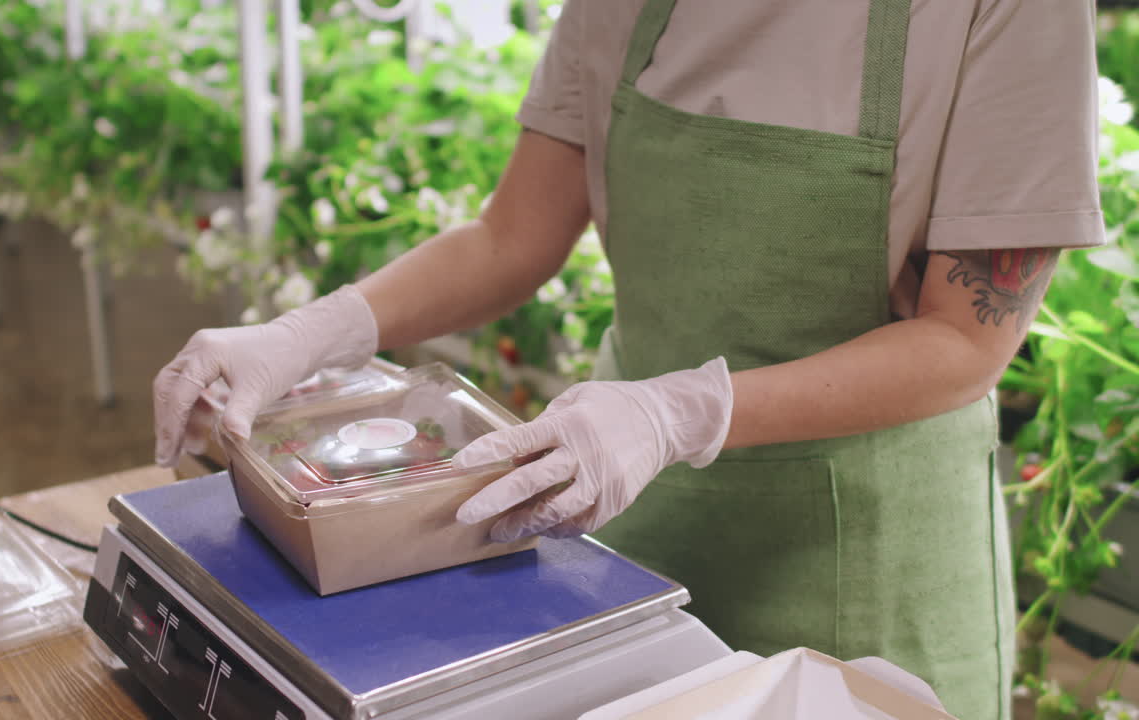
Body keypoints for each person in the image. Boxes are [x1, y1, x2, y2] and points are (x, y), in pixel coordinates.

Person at [153, 1, 1106, 716]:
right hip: (629, 527)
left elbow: (963, 342)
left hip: (867, 562)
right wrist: (307, 333)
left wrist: (673, 414)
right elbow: (513, 236)